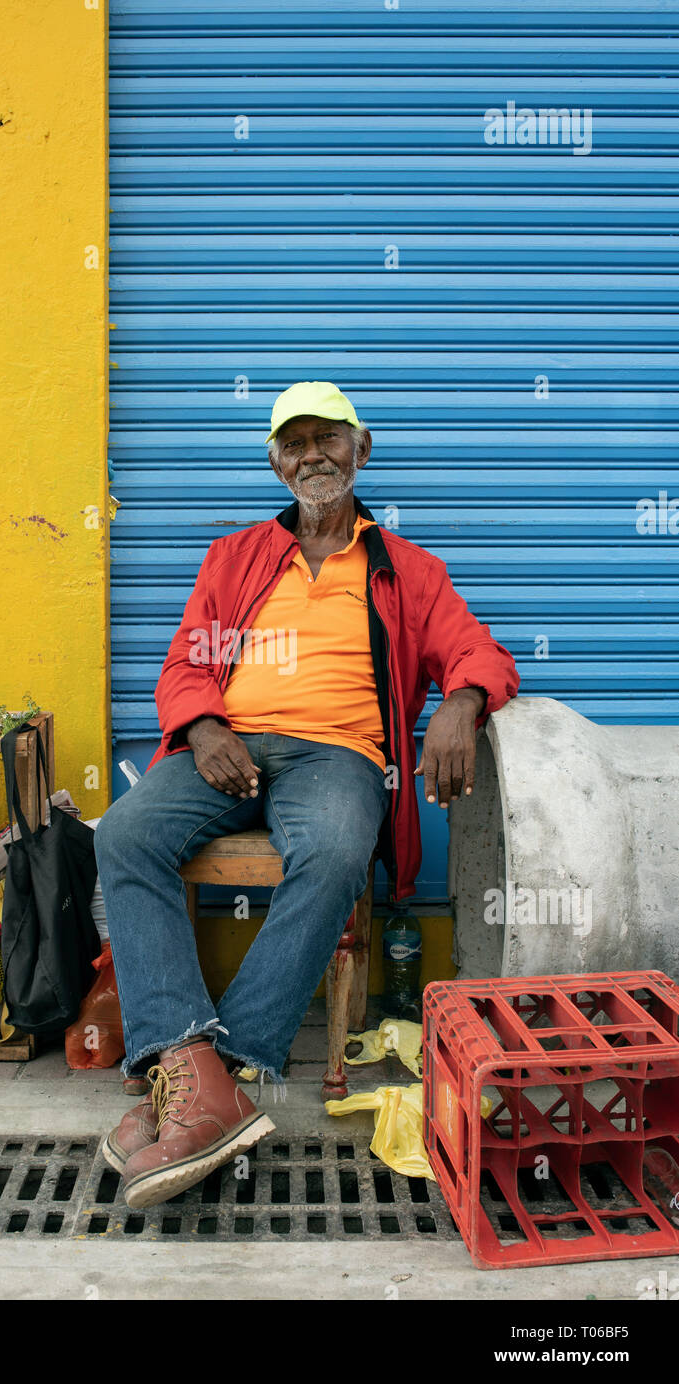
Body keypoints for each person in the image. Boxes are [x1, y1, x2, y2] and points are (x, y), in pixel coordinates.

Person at [94, 381, 520, 1210]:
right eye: (294, 443)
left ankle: (219, 1070)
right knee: (122, 834)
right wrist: (206, 726)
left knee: (330, 853)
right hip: (228, 747)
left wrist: (462, 702)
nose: (312, 455)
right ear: (274, 462)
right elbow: (184, 664)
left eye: (329, 439)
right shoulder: (235, 556)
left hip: (338, 756)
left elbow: (477, 652)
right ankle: (193, 1068)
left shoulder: (407, 570)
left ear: (361, 451)